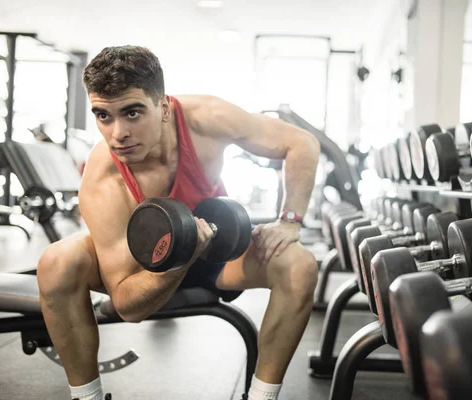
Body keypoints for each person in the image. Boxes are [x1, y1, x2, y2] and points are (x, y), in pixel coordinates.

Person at [37, 45, 321, 400]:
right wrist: (181, 258)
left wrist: (289, 220)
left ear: (164, 107)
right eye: (103, 116)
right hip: (143, 267)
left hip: (219, 255)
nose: (117, 134)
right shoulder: (103, 177)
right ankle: (87, 397)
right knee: (57, 261)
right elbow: (129, 307)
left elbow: (301, 143)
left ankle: (263, 396)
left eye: (132, 112)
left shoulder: (208, 118)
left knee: (299, 265)